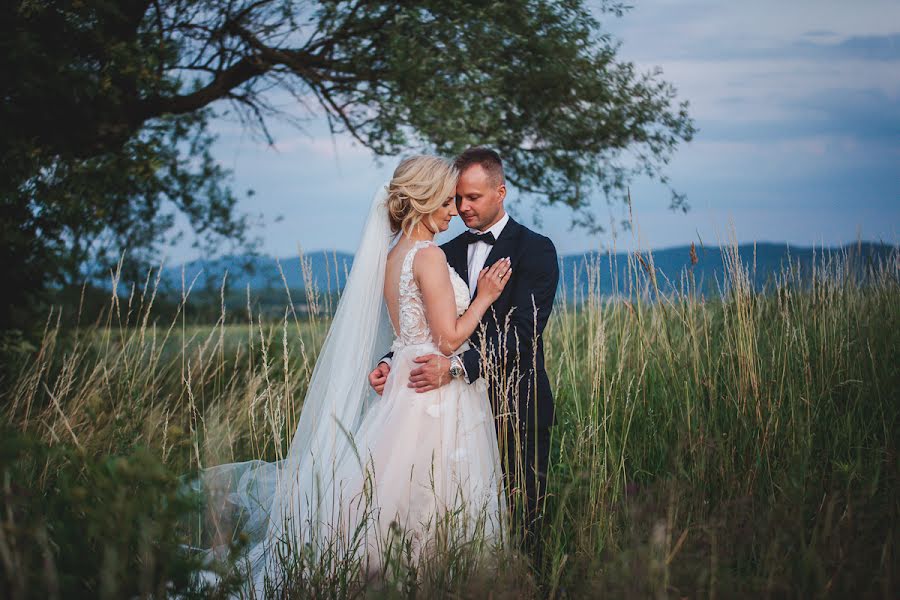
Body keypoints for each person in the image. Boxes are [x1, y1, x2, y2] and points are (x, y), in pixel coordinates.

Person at [193, 155, 512, 596]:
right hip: (432, 384)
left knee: (391, 482)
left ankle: (379, 575)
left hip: (404, 373)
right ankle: (426, 578)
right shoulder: (430, 257)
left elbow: (407, 333)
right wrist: (484, 296)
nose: (454, 210)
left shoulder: (394, 255)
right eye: (446, 201)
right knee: (430, 486)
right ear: (422, 200)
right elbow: (446, 338)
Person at [369, 147, 560, 556]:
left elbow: (524, 333)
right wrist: (389, 361)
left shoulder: (536, 250)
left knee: (523, 520)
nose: (462, 207)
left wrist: (456, 368)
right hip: (447, 410)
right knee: (439, 510)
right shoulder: (442, 250)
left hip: (514, 402)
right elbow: (419, 323)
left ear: (501, 192)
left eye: (473, 197)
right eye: (457, 198)